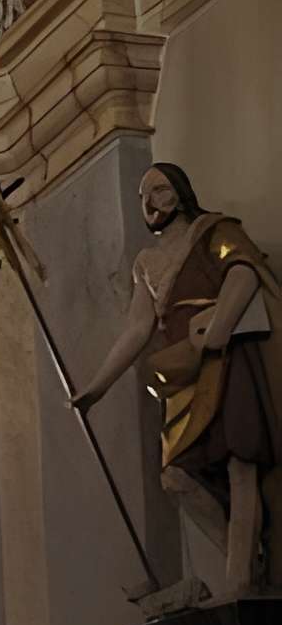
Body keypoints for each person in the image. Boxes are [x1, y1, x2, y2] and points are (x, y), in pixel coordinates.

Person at [71, 162, 282, 599]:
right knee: (177, 477)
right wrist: (97, 387)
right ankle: (248, 565)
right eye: (143, 195)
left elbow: (243, 272)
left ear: (181, 194)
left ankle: (241, 583)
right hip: (184, 371)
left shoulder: (214, 231)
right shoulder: (146, 263)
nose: (149, 202)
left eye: (160, 190)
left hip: (227, 359)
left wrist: (217, 328)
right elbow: (137, 329)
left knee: (241, 462)